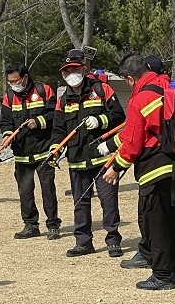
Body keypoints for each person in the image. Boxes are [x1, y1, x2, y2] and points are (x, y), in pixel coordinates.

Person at [102, 53, 175, 290]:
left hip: (155, 168)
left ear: (130, 79)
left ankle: (161, 276)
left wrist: (116, 167)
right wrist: (110, 144)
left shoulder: (140, 99)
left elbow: (133, 142)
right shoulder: (170, 88)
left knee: (156, 223)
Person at [50, 49, 125, 258]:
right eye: (66, 72)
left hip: (103, 158)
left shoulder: (102, 90)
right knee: (80, 202)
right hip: (76, 160)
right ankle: (83, 242)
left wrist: (100, 120)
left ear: (83, 69)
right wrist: (54, 147)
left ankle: (113, 240)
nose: (70, 74)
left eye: (73, 69)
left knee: (108, 200)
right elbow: (58, 129)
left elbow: (119, 117)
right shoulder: (63, 100)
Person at [0, 63, 61, 241]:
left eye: (16, 80)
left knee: (48, 189)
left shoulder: (44, 90)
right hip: (21, 152)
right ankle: (31, 225)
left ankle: (53, 225)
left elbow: (55, 115)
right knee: (25, 190)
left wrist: (39, 121)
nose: (13, 84)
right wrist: (7, 135)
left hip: (43, 150)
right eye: (10, 82)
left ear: (25, 77)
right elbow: (5, 121)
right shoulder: (8, 97)